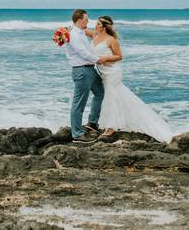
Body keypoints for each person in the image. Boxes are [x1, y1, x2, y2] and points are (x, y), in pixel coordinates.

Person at [92, 15, 173, 143]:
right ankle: (117, 122)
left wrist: (105, 59)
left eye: (98, 24)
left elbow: (119, 56)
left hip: (112, 72)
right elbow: (79, 29)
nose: (95, 25)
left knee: (111, 96)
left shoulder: (111, 40)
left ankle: (112, 127)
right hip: (103, 72)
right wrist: (64, 31)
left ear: (104, 27)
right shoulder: (95, 35)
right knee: (115, 96)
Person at [64, 9, 104, 143]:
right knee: (79, 103)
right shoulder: (74, 35)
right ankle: (77, 134)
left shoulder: (79, 32)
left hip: (90, 69)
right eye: (86, 20)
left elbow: (89, 47)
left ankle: (92, 123)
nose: (88, 22)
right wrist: (98, 59)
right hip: (81, 70)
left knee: (100, 92)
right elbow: (83, 53)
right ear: (80, 21)